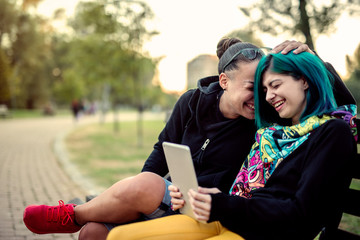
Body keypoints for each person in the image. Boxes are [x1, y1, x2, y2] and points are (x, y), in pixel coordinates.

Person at [22, 39, 354, 240]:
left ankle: (73, 212)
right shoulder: (207, 106)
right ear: (224, 81)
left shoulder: (269, 123)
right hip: (198, 204)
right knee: (102, 227)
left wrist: (315, 61)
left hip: (219, 212)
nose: (265, 97)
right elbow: (160, 154)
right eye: (258, 88)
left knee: (144, 192)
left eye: (271, 87)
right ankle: (78, 216)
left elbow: (340, 112)